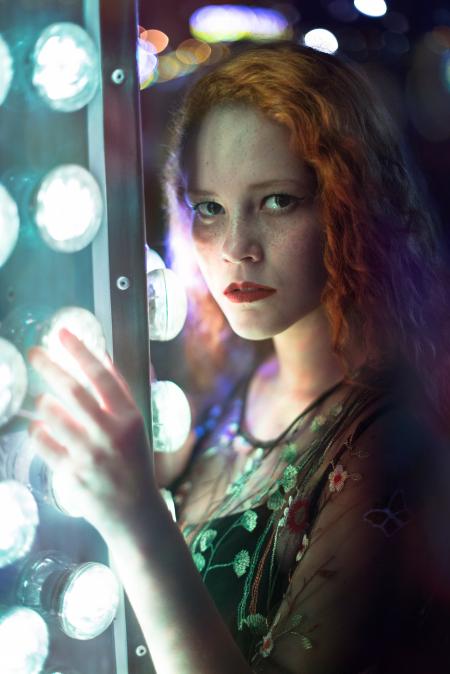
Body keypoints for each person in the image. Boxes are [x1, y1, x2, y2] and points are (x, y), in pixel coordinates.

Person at [28, 42, 450, 673]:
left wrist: (137, 519)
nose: (236, 248)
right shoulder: (231, 383)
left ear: (349, 202)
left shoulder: (388, 444)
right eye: (210, 209)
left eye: (278, 200)